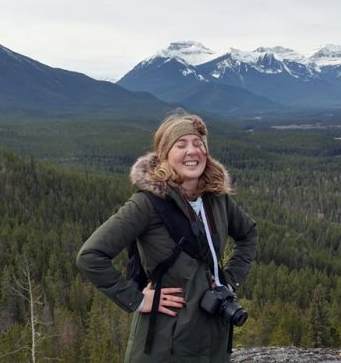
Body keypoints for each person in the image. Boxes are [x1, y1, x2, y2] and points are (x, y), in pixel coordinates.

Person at [76, 111, 258, 362]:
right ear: (164, 155)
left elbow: (248, 234)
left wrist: (229, 281)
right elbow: (90, 256)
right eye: (180, 145)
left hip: (215, 339)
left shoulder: (217, 200)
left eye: (198, 144)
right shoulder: (147, 204)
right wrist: (137, 300)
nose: (191, 151)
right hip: (165, 344)